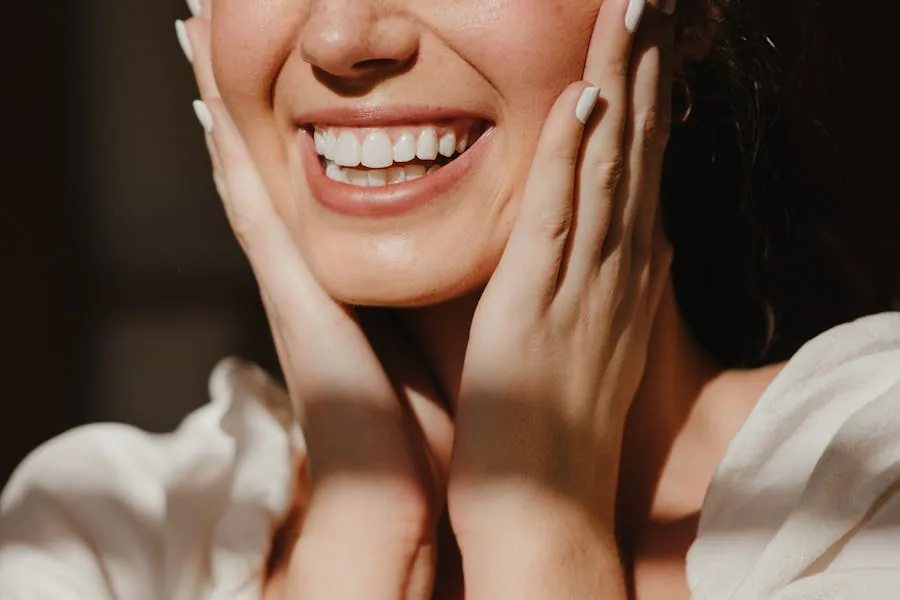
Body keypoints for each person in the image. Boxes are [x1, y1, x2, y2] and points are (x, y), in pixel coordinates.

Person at [2, 0, 899, 598]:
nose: (340, 37)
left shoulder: (865, 490)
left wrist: (539, 530)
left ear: (690, 11)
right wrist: (362, 540)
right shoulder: (106, 538)